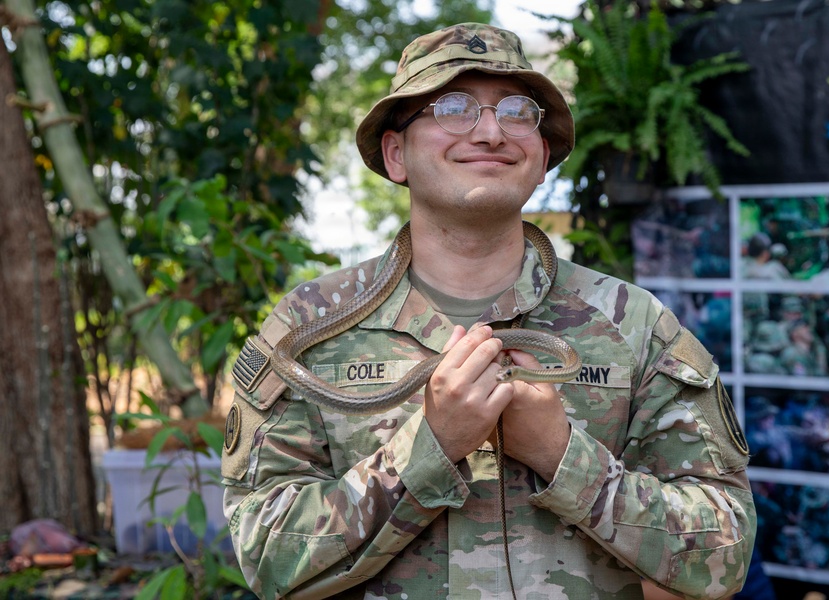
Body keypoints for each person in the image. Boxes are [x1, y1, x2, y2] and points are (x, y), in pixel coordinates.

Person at [220, 23, 755, 600]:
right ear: (396, 154)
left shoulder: (634, 323)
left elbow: (723, 553)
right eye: (452, 107)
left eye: (518, 112)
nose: (492, 131)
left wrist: (561, 454)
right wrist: (430, 448)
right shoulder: (308, 327)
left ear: (542, 156)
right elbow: (267, 555)